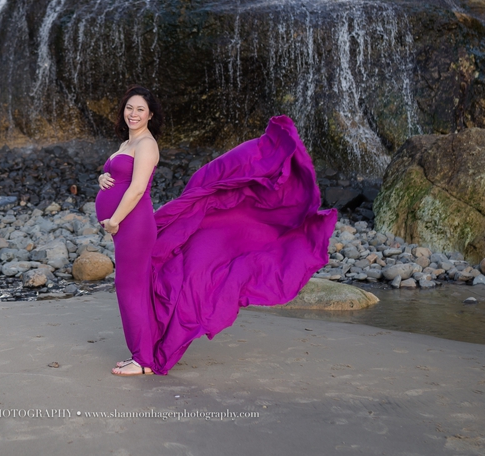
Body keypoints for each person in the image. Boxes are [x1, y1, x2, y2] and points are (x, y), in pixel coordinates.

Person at [95, 85, 338, 376]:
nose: (133, 114)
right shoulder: (126, 144)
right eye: (130, 108)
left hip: (132, 223)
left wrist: (114, 220)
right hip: (125, 226)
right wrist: (103, 177)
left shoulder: (146, 144)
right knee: (137, 287)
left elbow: (136, 189)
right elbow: (121, 176)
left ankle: (143, 360)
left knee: (129, 287)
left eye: (140, 109)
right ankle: (141, 355)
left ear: (150, 116)